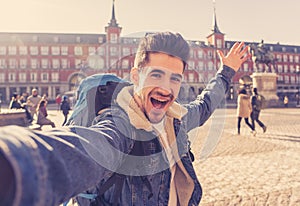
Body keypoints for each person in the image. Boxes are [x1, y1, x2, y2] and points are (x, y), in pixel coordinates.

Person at [0, 32, 250, 206]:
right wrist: (14, 165)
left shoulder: (177, 119)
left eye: (175, 78)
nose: (166, 88)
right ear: (136, 76)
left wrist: (226, 72)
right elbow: (88, 148)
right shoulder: (121, 123)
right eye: (156, 75)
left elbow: (205, 104)